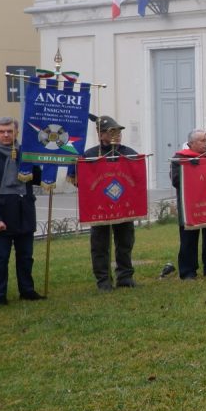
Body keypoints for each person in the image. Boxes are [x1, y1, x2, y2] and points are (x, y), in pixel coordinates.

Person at [68, 115, 139, 289]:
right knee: (100, 245)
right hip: (100, 208)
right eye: (111, 131)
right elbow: (81, 182)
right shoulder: (90, 155)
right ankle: (103, 280)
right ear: (100, 134)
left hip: (123, 206)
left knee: (125, 243)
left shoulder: (129, 153)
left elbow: (137, 179)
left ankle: (125, 277)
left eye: (119, 131)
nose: (117, 134)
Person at [0, 117, 44, 304]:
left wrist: (43, 161)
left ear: (16, 132)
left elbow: (37, 179)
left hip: (24, 213)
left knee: (26, 257)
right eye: (1, 131)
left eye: (10, 131)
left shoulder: (26, 152)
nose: (6, 135)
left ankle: (27, 290)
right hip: (1, 216)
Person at [171, 128, 206, 279]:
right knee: (189, 240)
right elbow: (176, 181)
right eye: (202, 140)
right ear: (191, 143)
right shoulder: (180, 159)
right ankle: (188, 271)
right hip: (190, 205)